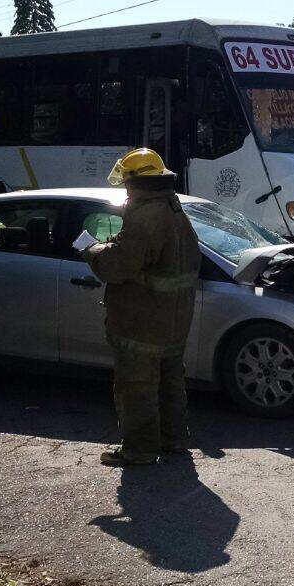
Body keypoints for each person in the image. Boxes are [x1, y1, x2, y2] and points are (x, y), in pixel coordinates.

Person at [80, 147, 201, 467]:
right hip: (174, 319)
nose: (125, 188)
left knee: (137, 385)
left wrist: (92, 251)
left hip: (143, 321)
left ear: (136, 182)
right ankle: (174, 439)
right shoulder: (173, 209)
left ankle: (140, 449)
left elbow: (118, 266)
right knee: (170, 380)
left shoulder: (145, 214)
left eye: (127, 182)